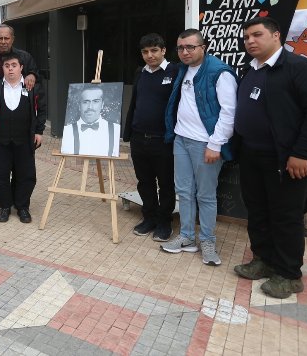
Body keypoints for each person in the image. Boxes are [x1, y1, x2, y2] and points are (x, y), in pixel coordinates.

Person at [232, 17, 307, 299]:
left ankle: (288, 274)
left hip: (286, 159)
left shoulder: (299, 68)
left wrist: (301, 153)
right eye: (247, 37)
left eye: (257, 35)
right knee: (258, 211)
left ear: (276, 36)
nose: (250, 41)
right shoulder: (249, 70)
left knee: (285, 217)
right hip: (251, 155)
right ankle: (263, 259)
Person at [161, 29, 237, 266]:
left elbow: (229, 112)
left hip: (206, 143)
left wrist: (215, 144)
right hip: (181, 139)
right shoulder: (183, 69)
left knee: (205, 195)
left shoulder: (219, 72)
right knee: (183, 191)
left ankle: (207, 241)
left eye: (190, 47)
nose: (184, 52)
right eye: (181, 47)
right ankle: (186, 237)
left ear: (203, 47)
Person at [0, 24, 39, 211]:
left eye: (6, 38)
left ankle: (20, 204)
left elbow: (37, 78)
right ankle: (1, 200)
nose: (3, 41)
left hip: (22, 128)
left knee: (23, 169)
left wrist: (32, 75)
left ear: (12, 39)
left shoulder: (25, 57)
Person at [122, 34, 179, 242]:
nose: (150, 55)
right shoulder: (140, 73)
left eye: (154, 50)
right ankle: (149, 218)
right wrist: (127, 133)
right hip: (139, 139)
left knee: (165, 183)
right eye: (145, 52)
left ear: (163, 50)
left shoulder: (175, 71)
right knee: (144, 182)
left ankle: (164, 222)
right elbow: (134, 103)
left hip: (163, 140)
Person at [0, 53, 46, 223]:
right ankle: (5, 205)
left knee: (26, 175)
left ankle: (22, 207)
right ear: (2, 68)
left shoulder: (31, 87)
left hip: (25, 140)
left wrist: (39, 132)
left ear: (21, 67)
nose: (10, 68)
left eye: (14, 65)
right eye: (7, 66)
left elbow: (41, 110)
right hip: (1, 140)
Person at [61, 86, 121, 157]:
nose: (90, 107)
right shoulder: (68, 131)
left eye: (95, 101)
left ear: (102, 105)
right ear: (79, 105)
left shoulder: (115, 129)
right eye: (85, 102)